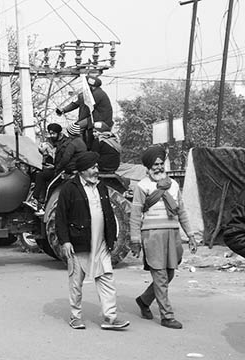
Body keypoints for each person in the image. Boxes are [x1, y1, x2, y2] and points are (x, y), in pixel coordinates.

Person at [56, 151, 130, 330]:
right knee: (76, 283)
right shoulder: (69, 188)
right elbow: (61, 217)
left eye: (96, 166)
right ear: (82, 170)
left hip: (101, 244)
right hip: (78, 244)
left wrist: (111, 239)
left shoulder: (101, 187)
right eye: (92, 167)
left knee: (107, 280)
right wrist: (65, 241)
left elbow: (108, 214)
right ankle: (75, 317)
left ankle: (110, 318)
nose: (96, 170)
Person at [129, 146, 198, 330]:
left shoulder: (174, 185)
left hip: (172, 234)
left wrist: (190, 234)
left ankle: (144, 300)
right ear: (148, 167)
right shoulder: (142, 186)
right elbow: (135, 215)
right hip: (152, 236)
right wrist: (135, 240)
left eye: (161, 164)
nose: (158, 167)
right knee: (159, 274)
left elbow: (181, 211)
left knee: (169, 273)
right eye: (155, 165)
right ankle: (167, 316)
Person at [56, 75, 113, 149]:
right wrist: (64, 110)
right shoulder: (90, 94)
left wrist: (78, 123)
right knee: (77, 128)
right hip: (94, 118)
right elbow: (76, 103)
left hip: (99, 120)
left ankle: (81, 148)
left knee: (76, 128)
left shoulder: (96, 94)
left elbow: (85, 109)